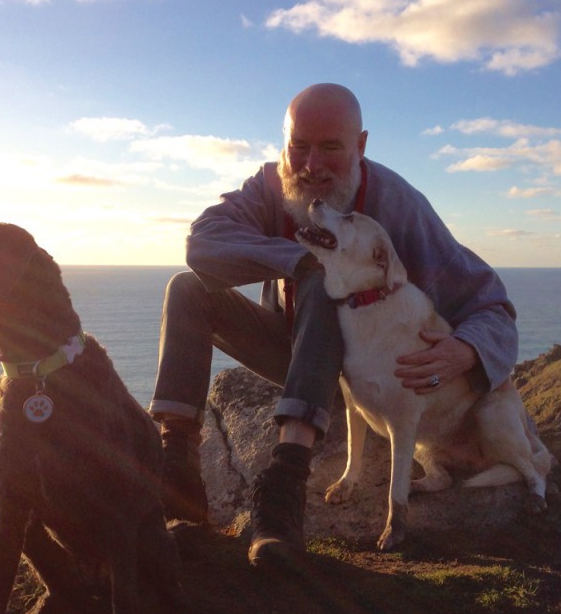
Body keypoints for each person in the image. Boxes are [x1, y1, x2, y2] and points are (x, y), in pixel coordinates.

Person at [149, 83, 518, 567]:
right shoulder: (270, 187)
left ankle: (285, 485)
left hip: (358, 376)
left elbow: (492, 306)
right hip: (294, 354)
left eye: (330, 147)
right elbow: (202, 244)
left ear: (361, 146)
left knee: (326, 284)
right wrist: (300, 259)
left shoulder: (398, 206)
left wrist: (465, 351)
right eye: (298, 146)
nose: (310, 166)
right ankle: (178, 472)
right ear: (283, 143)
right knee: (186, 289)